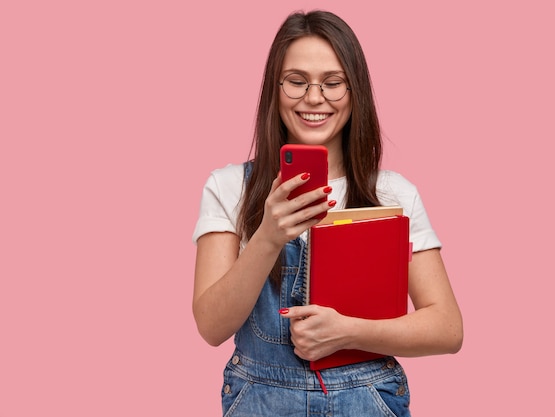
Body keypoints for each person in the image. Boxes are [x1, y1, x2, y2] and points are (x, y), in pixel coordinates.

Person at [192, 10, 463, 416]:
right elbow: (211, 327)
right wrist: (268, 235)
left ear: (355, 92)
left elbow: (447, 328)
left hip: (368, 399)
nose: (314, 98)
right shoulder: (230, 187)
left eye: (333, 83)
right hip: (260, 401)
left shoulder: (391, 194)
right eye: (297, 81)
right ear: (274, 89)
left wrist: (349, 332)